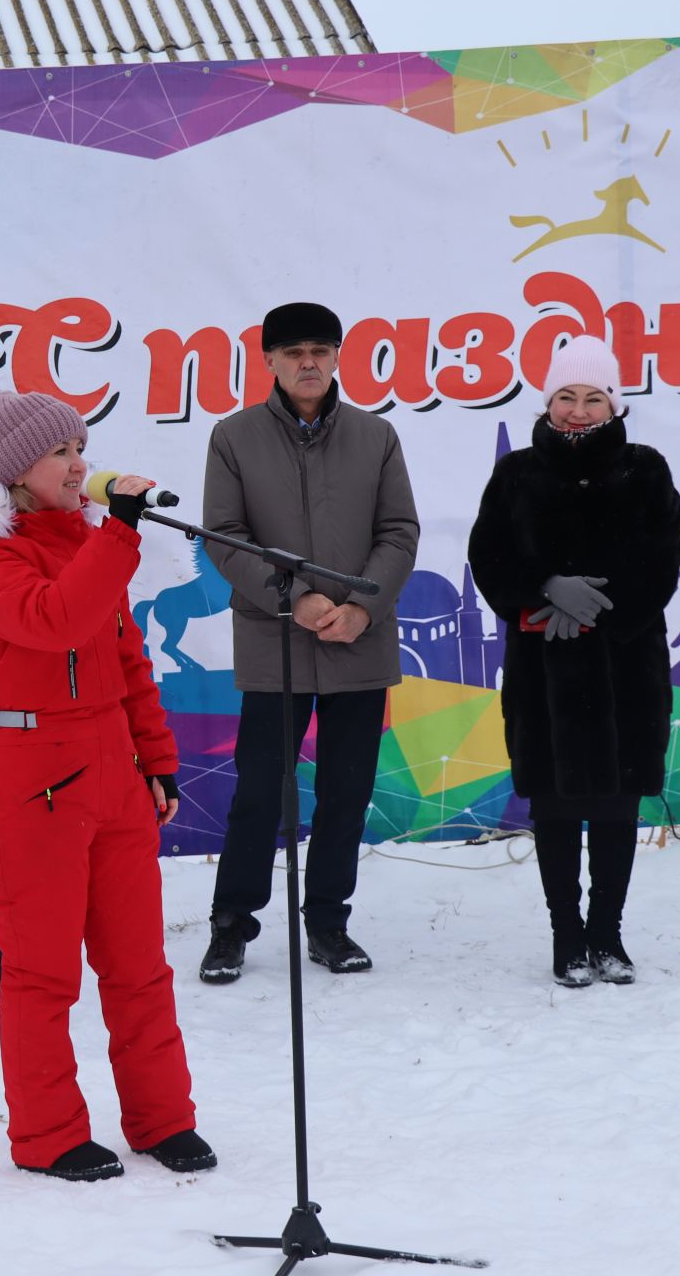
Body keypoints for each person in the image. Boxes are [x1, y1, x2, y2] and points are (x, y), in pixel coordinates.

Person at [0, 391, 213, 1183]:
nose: (80, 465)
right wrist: (118, 530)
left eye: (82, 447)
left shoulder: (87, 541)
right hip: (31, 776)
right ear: (16, 471)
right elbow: (55, 621)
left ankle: (162, 1119)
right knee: (43, 972)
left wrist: (156, 759)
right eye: (61, 453)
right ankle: (48, 1134)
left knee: (139, 964)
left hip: (113, 769)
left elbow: (125, 663)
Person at [198, 303, 419, 983]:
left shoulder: (375, 435)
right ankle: (232, 925)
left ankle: (327, 922)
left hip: (360, 643)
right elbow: (225, 537)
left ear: (337, 356)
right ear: (267, 361)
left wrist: (361, 607)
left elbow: (399, 533)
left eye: (321, 350)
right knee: (261, 791)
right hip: (276, 648)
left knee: (347, 792)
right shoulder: (233, 438)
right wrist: (299, 601)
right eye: (292, 352)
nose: (308, 363)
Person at [468, 335, 680, 986]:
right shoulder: (515, 476)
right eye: (567, 396)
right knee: (557, 809)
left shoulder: (645, 470)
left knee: (618, 807)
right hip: (544, 670)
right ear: (548, 401)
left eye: (594, 398)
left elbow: (661, 559)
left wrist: (597, 609)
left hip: (626, 669)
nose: (579, 410)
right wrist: (542, 592)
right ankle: (567, 938)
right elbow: (490, 557)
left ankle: (608, 936)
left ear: (614, 406)